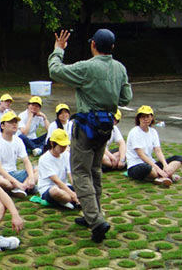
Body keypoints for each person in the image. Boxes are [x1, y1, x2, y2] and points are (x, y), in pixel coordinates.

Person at [48, 28, 132, 243]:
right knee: (94, 170)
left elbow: (55, 71)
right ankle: (91, 213)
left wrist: (58, 50)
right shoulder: (120, 68)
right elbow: (126, 98)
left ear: (93, 44)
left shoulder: (87, 67)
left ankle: (96, 221)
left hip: (86, 128)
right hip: (105, 128)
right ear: (112, 47)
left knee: (81, 173)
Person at [126, 105, 182, 186]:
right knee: (148, 169)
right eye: (143, 117)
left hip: (151, 163)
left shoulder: (153, 132)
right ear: (139, 118)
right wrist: (158, 169)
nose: (145, 119)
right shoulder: (134, 132)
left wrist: (165, 166)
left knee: (178, 158)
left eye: (148, 116)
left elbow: (158, 151)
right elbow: (141, 155)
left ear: (151, 118)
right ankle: (163, 176)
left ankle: (162, 176)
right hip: (136, 165)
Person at [0, 111, 38, 198]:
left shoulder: (18, 140)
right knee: (3, 182)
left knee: (38, 169)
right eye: (10, 122)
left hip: (13, 173)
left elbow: (26, 161)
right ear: (2, 126)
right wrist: (16, 182)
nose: (14, 124)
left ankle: (22, 188)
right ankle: (21, 187)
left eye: (15, 122)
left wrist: (31, 177)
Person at [38, 129, 79, 209]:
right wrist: (73, 194)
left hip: (64, 186)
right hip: (49, 188)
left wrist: (76, 188)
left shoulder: (66, 155)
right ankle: (69, 200)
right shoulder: (44, 159)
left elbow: (71, 174)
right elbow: (56, 180)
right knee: (56, 191)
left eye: (65, 146)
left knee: (83, 186)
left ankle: (68, 201)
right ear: (52, 143)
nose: (63, 148)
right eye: (61, 146)